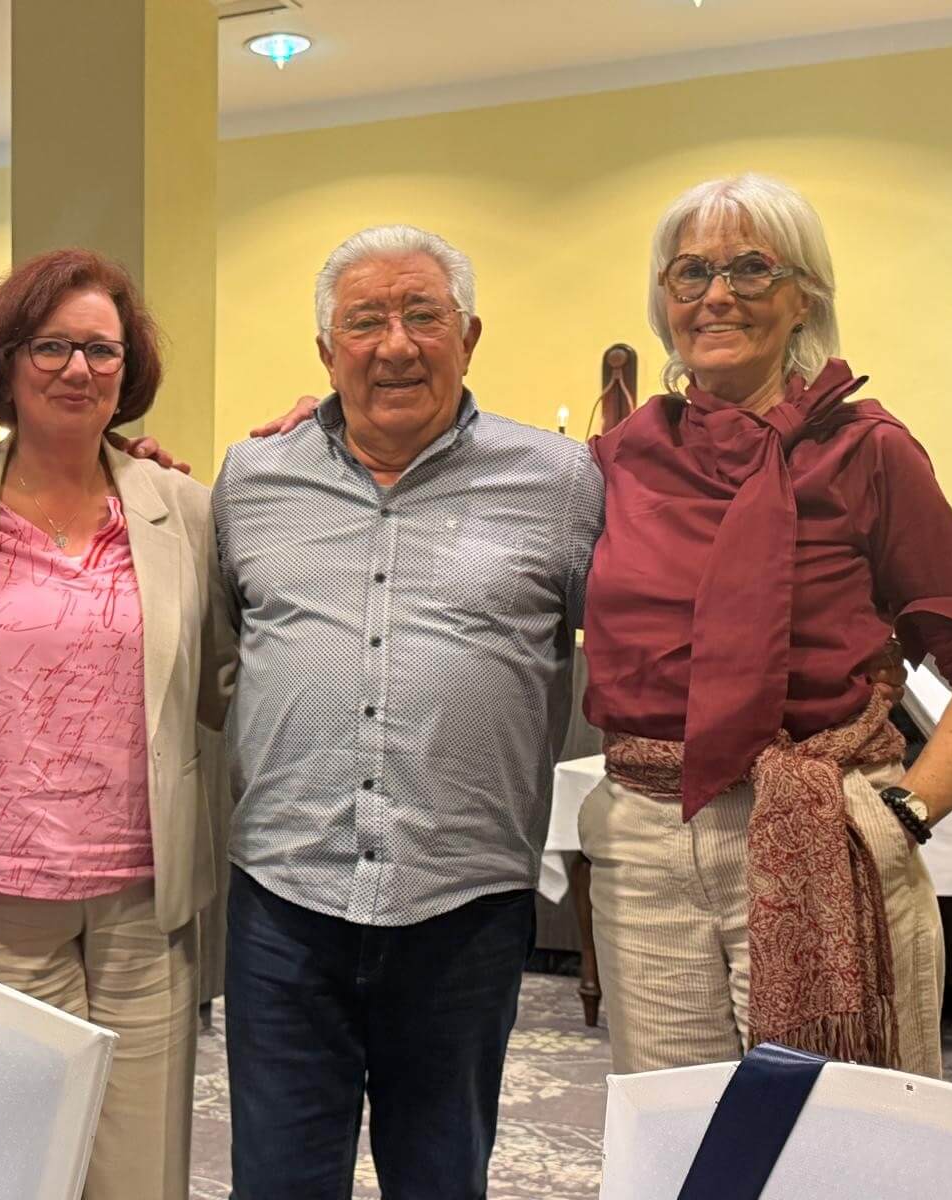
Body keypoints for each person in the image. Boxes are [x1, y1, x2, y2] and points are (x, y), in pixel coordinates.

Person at [213, 224, 602, 1200]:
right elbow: (219, 654)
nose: (394, 344)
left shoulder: (559, 483)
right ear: (325, 351)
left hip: (461, 907)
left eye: (422, 315)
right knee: (276, 1182)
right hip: (283, 901)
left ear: (468, 337)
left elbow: (638, 641)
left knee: (440, 1178)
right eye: (365, 321)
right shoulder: (250, 480)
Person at [578, 173, 952, 1078]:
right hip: (647, 844)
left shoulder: (868, 450)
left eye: (752, 268)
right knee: (679, 1129)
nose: (717, 294)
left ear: (806, 298)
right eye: (691, 273)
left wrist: (907, 813)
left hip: (823, 830)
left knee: (831, 1130)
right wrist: (324, 428)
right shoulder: (623, 458)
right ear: (664, 300)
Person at [0, 248, 231, 1200]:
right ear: (5, 362)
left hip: (145, 904)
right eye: (51, 347)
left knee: (141, 1177)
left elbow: (221, 681)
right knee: (2, 1172)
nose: (78, 370)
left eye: (102, 350)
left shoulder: (185, 509)